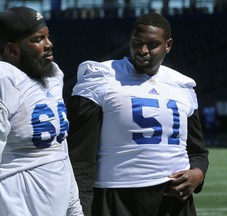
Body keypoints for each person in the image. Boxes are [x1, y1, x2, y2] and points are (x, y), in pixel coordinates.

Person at [67, 12, 209, 216]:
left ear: (168, 45)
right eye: (137, 42)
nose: (142, 50)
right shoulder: (101, 78)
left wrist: (198, 173)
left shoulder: (182, 86)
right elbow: (80, 157)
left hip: (174, 202)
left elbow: (197, 150)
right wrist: (81, 209)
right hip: (117, 198)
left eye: (152, 44)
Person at [0, 7, 83, 215]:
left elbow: (59, 150)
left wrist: (74, 207)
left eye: (47, 36)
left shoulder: (52, 76)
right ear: (12, 50)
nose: (49, 44)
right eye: (38, 39)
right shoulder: (4, 80)